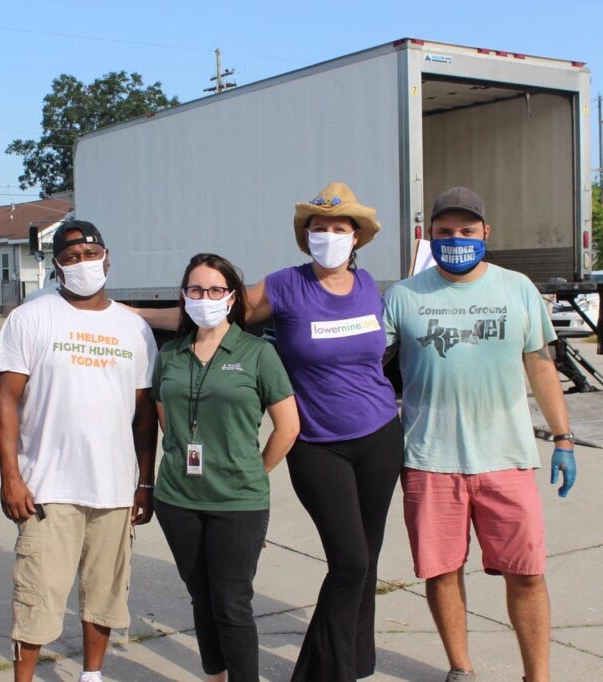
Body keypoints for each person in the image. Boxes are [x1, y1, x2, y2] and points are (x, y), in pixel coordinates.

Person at [135, 182, 405, 680]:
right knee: (348, 561)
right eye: (318, 228)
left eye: (338, 228)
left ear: (356, 238)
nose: (328, 236)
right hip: (319, 444)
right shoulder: (285, 285)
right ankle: (326, 671)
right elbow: (211, 316)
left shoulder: (372, 288)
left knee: (366, 561)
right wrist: (128, 314)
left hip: (380, 436)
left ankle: (356, 659)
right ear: (305, 236)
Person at [383, 186, 577, 682]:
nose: (457, 240)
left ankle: (538, 676)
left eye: (467, 231)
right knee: (441, 571)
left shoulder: (518, 289)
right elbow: (365, 366)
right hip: (429, 459)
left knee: (528, 573)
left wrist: (563, 438)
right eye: (445, 232)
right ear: (429, 236)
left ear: (485, 233)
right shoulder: (404, 296)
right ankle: (461, 669)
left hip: (506, 458)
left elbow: (540, 366)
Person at [0, 219, 159, 682]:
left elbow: (144, 417)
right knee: (37, 593)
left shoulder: (134, 329)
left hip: (115, 487)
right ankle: (23, 677)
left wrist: (145, 482)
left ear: (108, 258)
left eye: (91, 254)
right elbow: (4, 401)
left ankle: (92, 674)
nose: (83, 263)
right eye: (70, 257)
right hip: (48, 486)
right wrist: (11, 476)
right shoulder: (32, 317)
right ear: (56, 267)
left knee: (104, 593)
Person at [153, 253, 300, 682]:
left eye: (216, 290)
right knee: (201, 597)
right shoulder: (171, 354)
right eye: (196, 290)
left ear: (232, 297)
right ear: (184, 296)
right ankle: (214, 675)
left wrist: (254, 471)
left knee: (232, 602)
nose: (206, 297)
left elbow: (287, 427)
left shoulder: (258, 354)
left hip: (238, 501)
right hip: (177, 498)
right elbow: (166, 416)